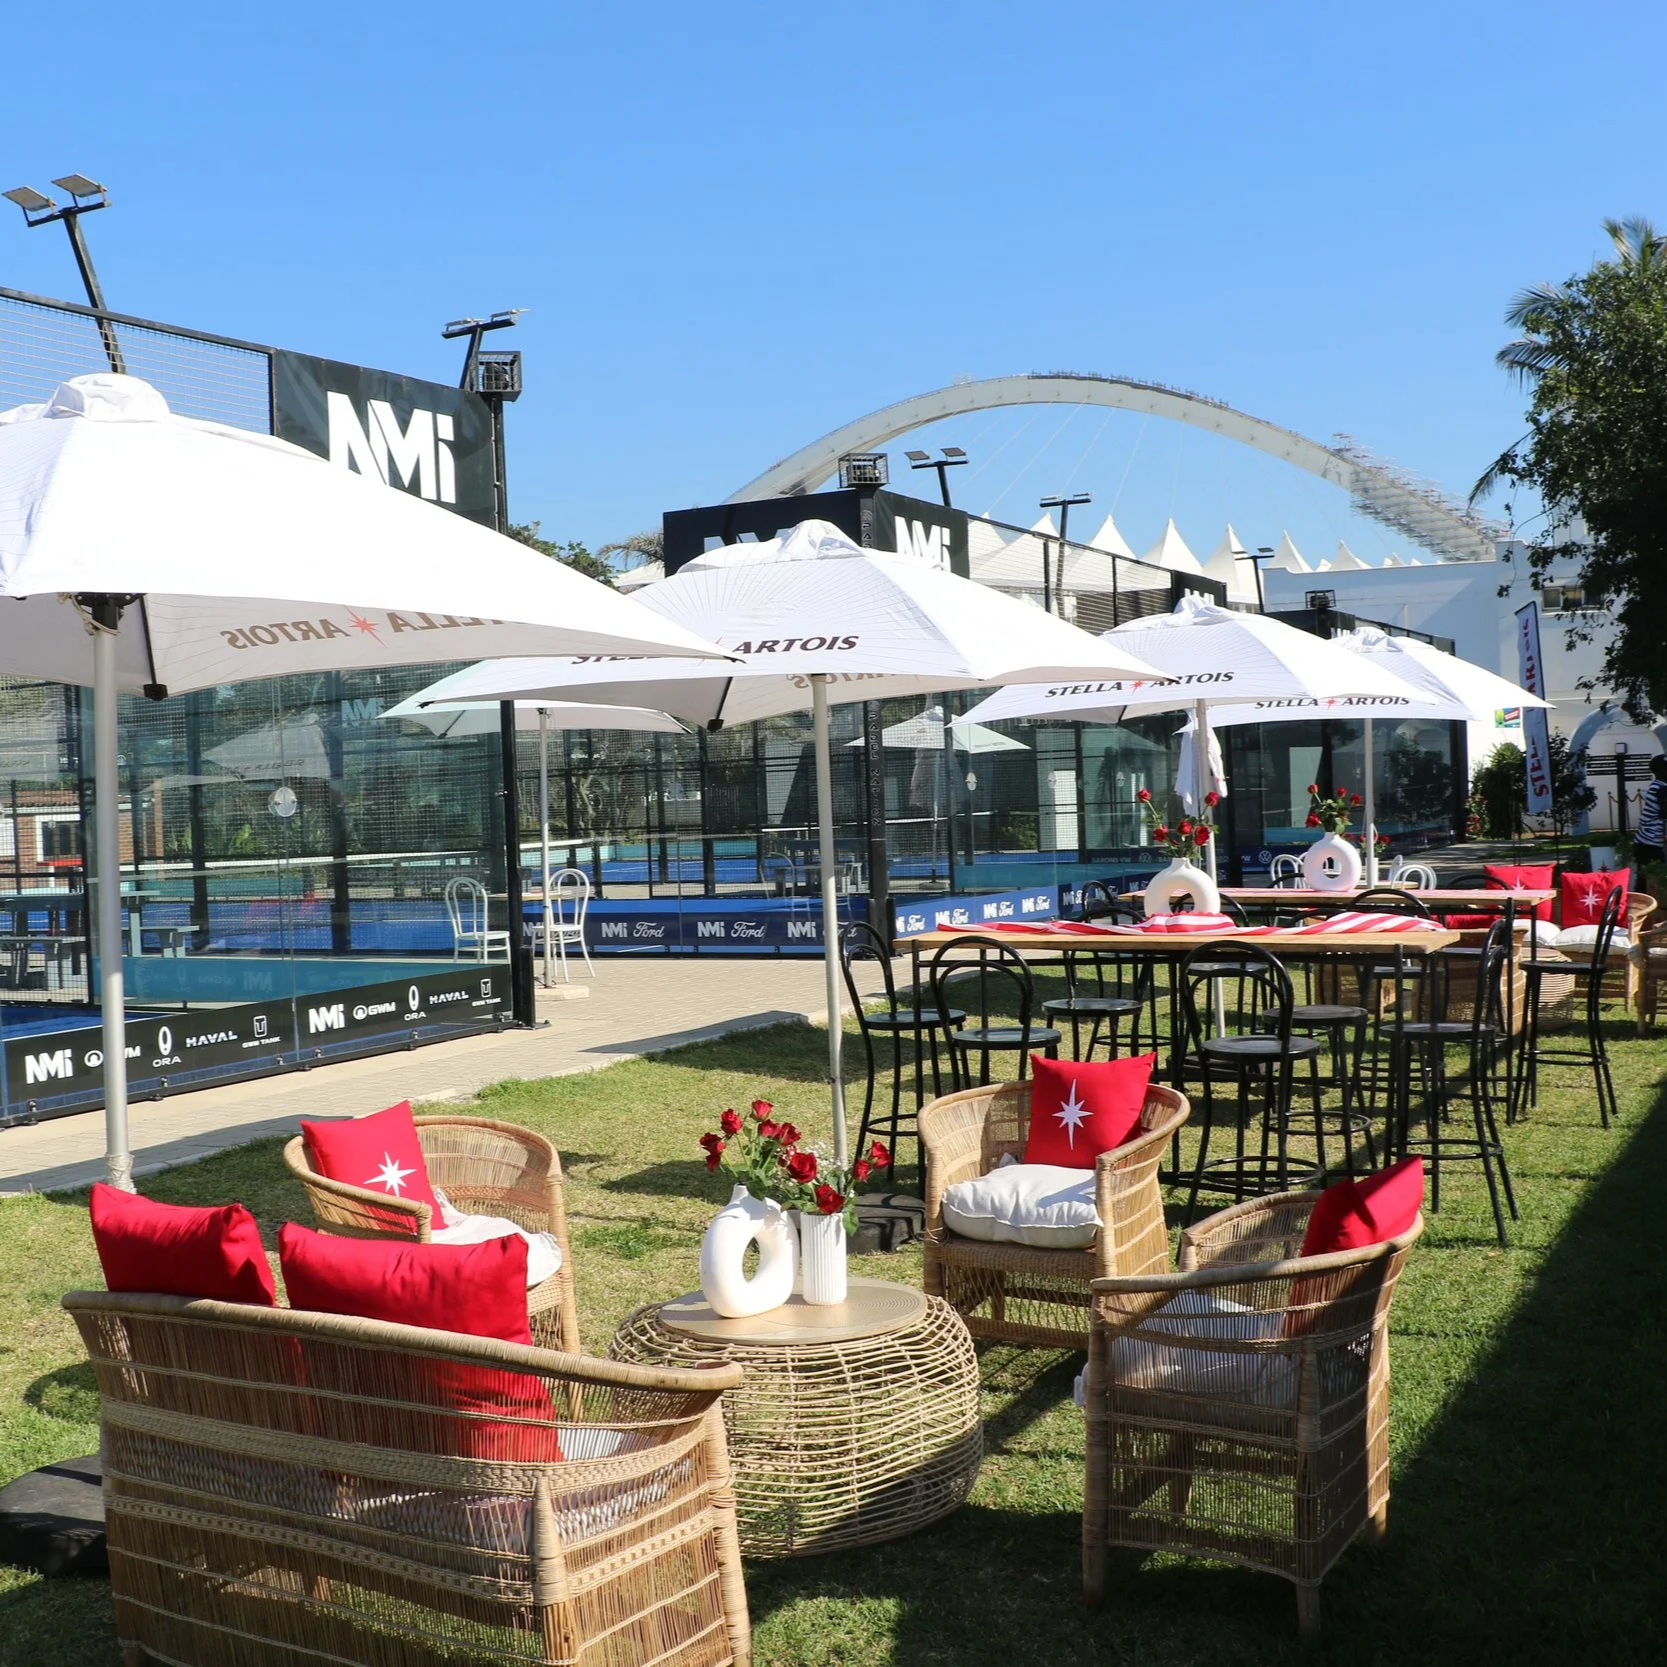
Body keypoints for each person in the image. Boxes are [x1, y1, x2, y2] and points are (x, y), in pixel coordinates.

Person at [1633, 754, 1667, 899]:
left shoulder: (1658, 786)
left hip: (1646, 842)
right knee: (1653, 878)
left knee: (1646, 878)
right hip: (1649, 842)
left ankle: (1640, 905)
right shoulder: (1660, 788)